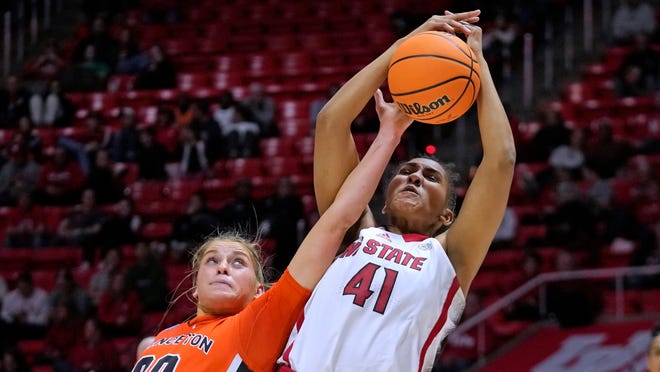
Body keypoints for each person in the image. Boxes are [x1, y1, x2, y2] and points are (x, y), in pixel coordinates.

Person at [132, 46, 413, 370]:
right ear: (194, 288)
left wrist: (389, 135)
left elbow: (336, 220)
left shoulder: (258, 319)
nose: (223, 267)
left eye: (238, 263)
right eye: (212, 260)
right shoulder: (158, 342)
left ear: (259, 291)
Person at [278, 10, 516, 371]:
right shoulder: (351, 231)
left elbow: (501, 160)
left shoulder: (450, 257)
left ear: (447, 216)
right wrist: (406, 47)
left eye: (430, 177)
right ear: (384, 203)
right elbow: (331, 122)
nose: (414, 177)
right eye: (406, 171)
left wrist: (476, 65)